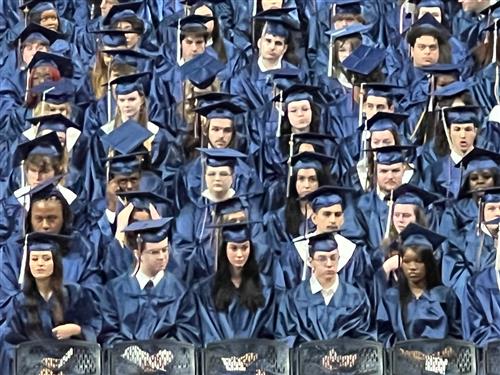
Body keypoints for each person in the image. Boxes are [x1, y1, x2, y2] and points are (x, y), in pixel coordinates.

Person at [1, 232, 100, 375]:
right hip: (34, 369)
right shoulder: (19, 301)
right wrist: (37, 366)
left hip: (73, 367)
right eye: (34, 259)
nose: (40, 263)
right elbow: (11, 343)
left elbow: (93, 324)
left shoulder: (75, 293)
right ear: (28, 264)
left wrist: (77, 330)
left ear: (56, 262)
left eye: (46, 258)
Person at [99, 218, 199, 346]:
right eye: (154, 252)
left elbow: (187, 333)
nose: (162, 257)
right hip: (124, 362)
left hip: (169, 362)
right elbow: (109, 334)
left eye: (164, 250)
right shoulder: (114, 290)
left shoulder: (181, 291)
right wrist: (134, 356)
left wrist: (164, 354)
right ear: (138, 254)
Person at [276, 232, 375, 346]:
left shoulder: (356, 298)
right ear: (310, 261)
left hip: (347, 362)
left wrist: (345, 357)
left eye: (333, 258)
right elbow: (285, 341)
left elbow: (367, 341)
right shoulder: (293, 299)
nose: (329, 264)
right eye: (322, 259)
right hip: (306, 362)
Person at [376, 223, 462, 347]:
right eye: (406, 261)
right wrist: (404, 351)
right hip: (401, 362)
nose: (412, 267)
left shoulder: (445, 295)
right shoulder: (391, 298)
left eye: (419, 261)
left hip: (441, 362)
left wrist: (447, 350)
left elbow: (457, 334)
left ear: (429, 263)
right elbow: (384, 335)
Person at [193, 222, 277, 345]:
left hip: (255, 360)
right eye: (234, 248)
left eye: (244, 248)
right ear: (224, 249)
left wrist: (251, 355)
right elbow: (207, 332)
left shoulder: (265, 288)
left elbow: (268, 332)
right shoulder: (205, 290)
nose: (239, 254)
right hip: (216, 360)